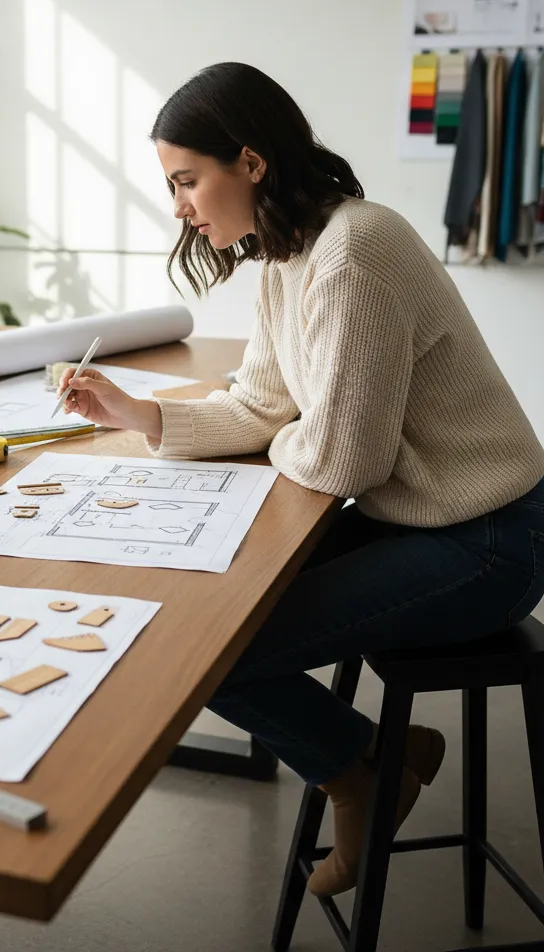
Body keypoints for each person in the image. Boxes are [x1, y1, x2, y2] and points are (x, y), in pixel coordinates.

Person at [57, 62, 544, 897]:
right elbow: (263, 404)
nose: (178, 205)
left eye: (186, 180)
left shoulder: (355, 253)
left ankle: (360, 773)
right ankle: (374, 760)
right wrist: (138, 414)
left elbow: (349, 462)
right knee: (208, 614)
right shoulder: (292, 255)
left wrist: (293, 434)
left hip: (490, 541)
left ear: (250, 163)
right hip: (422, 520)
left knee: (212, 652)